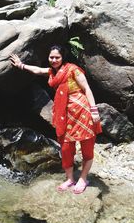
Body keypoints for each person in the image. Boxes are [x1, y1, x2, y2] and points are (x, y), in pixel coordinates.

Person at [10, 45, 102, 194]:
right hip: (64, 114)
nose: (53, 60)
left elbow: (87, 89)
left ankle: (83, 178)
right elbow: (38, 70)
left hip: (81, 111)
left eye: (57, 57)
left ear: (62, 57)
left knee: (86, 146)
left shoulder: (73, 69)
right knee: (66, 148)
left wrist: (94, 110)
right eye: (51, 57)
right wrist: (21, 65)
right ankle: (70, 178)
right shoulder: (52, 72)